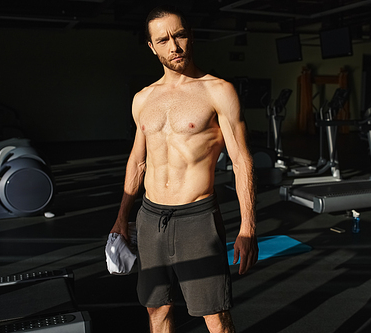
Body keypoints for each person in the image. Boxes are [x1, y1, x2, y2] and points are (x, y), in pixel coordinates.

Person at [109, 5, 259, 333]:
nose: (174, 47)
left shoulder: (218, 91)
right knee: (156, 309)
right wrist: (122, 219)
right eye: (162, 40)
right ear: (151, 47)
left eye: (179, 35)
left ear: (191, 35)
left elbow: (241, 160)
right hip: (150, 220)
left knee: (214, 315)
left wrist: (247, 228)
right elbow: (137, 161)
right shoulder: (142, 99)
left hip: (198, 220)